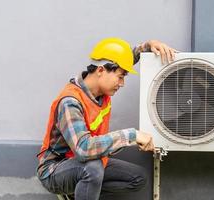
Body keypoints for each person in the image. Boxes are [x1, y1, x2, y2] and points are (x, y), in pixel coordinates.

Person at [36, 37, 176, 200]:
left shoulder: (100, 92)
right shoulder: (71, 102)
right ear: (101, 70)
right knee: (92, 168)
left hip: (88, 162)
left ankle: (77, 193)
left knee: (138, 178)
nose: (122, 83)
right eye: (120, 76)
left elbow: (125, 57)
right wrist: (131, 136)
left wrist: (148, 45)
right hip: (55, 170)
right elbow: (84, 149)